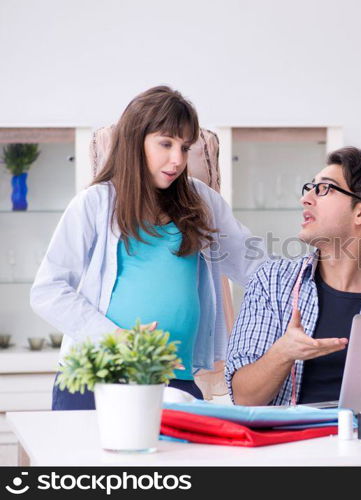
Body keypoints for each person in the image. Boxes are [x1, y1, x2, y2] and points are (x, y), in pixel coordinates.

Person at [30, 86, 266, 410]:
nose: (178, 160)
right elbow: (48, 290)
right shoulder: (95, 203)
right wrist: (117, 340)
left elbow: (254, 265)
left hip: (176, 379)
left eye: (185, 147)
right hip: (96, 379)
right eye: (166, 144)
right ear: (134, 140)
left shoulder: (200, 201)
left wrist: (319, 273)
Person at [226, 147, 361, 405]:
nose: (306, 199)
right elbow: (243, 398)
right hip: (288, 446)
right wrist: (283, 353)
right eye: (310, 188)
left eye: (324, 189)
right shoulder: (271, 283)